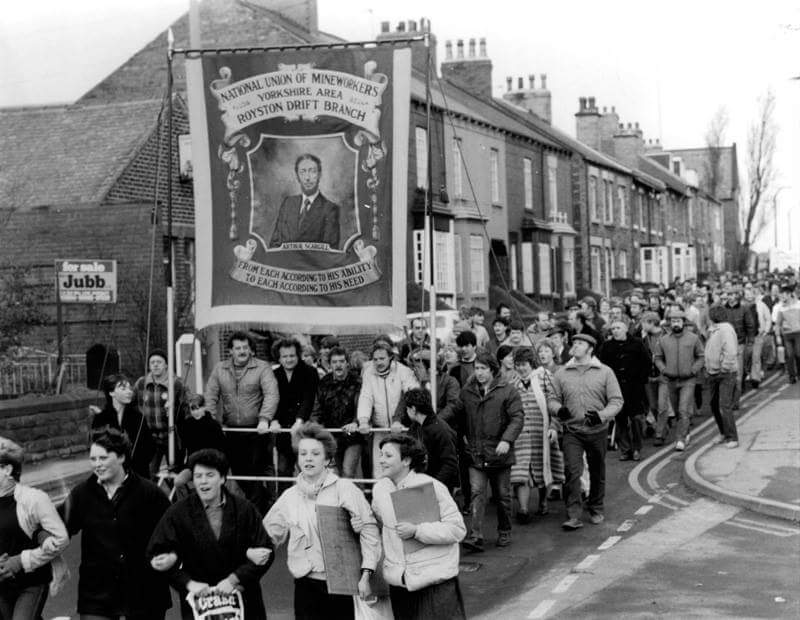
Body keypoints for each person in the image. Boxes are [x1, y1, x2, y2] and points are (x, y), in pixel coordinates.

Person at [264, 424, 380, 619]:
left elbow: (369, 531)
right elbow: (266, 536)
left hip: (341, 585)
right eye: (303, 453)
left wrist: (367, 573)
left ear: (327, 459)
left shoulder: (345, 489)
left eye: (315, 453)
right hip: (305, 585)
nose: (308, 458)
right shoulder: (289, 496)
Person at [148, 449, 273, 620]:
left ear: (222, 478)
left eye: (210, 475)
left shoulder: (245, 509)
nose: (203, 481)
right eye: (198, 476)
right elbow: (157, 552)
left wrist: (235, 579)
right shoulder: (178, 512)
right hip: (200, 603)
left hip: (243, 600)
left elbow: (266, 551)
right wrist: (188, 584)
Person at [62, 428, 171, 619]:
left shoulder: (150, 494)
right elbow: (57, 527)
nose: (97, 465)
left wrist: (170, 555)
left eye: (103, 458)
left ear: (121, 457)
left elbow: (174, 532)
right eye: (93, 459)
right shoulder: (82, 494)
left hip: (143, 590)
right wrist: (50, 552)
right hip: (97, 594)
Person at [371, 434, 467, 619]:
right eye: (381, 455)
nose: (381, 460)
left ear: (406, 460)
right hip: (400, 581)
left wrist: (418, 531)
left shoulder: (431, 486)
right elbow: (382, 521)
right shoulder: (380, 489)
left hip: (434, 582)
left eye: (388, 456)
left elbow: (457, 529)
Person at [547, 334, 623, 530]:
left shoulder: (605, 372)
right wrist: (558, 409)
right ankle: (573, 514)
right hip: (572, 431)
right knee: (572, 472)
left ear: (590, 349)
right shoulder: (562, 373)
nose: (575, 346)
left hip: (597, 430)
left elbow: (616, 401)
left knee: (597, 471)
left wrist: (602, 415)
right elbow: (552, 399)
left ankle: (596, 507)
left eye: (580, 343)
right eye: (574, 343)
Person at [452, 351, 524, 551]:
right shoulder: (468, 392)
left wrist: (507, 440)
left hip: (500, 453)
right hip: (476, 452)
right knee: (477, 492)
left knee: (503, 495)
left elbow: (517, 418)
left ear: (492, 369)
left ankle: (504, 531)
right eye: (476, 368)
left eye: (483, 368)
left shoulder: (508, 391)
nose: (479, 372)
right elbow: (456, 412)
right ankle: (475, 535)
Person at [204, 331, 279, 513]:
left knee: (257, 472)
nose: (242, 351)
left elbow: (271, 394)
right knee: (239, 474)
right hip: (233, 431)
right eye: (238, 348)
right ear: (230, 351)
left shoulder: (262, 368)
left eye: (245, 347)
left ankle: (263, 511)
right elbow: (211, 396)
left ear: (251, 350)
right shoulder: (220, 369)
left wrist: (264, 419)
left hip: (257, 431)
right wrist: (211, 422)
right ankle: (259, 507)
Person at [0, 437, 68, 620]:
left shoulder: (34, 499)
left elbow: (60, 539)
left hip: (31, 582)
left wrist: (20, 561)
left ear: (7, 469)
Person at [511, 348, 564, 523]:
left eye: (524, 364)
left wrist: (555, 427)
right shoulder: (512, 383)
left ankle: (542, 502)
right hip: (520, 436)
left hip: (541, 433)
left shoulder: (544, 377)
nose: (521, 368)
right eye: (517, 365)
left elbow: (555, 403)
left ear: (531, 364)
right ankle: (524, 510)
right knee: (522, 474)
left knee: (542, 471)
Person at [357, 341, 419, 477]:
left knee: (404, 469)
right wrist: (363, 420)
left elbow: (410, 396)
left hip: (402, 429)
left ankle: (404, 497)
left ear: (390, 357)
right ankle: (383, 498)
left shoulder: (403, 371)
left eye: (382, 358)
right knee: (380, 471)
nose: (378, 362)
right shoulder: (368, 373)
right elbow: (366, 397)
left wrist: (399, 420)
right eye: (375, 359)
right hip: (381, 430)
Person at [598, 320, 651, 462]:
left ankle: (637, 448)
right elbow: (602, 367)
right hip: (615, 388)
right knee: (620, 419)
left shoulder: (637, 343)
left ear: (626, 329)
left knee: (636, 419)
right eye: (613, 328)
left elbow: (646, 362)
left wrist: (640, 379)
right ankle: (625, 449)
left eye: (618, 328)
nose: (615, 330)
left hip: (634, 387)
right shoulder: (607, 346)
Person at [654, 309, 705, 451]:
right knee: (677, 412)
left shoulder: (693, 338)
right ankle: (685, 431)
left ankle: (680, 440)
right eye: (673, 321)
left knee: (683, 410)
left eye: (678, 321)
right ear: (670, 323)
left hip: (688, 380)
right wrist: (664, 370)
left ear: (684, 322)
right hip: (670, 380)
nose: (675, 323)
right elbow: (657, 358)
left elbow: (701, 356)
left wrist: (693, 370)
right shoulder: (663, 340)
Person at [133, 348, 189, 479]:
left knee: (175, 475)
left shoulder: (176, 383)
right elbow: (131, 402)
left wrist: (175, 408)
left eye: (159, 362)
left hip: (172, 436)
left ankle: (178, 498)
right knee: (149, 474)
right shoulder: (141, 383)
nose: (155, 365)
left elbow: (187, 405)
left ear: (166, 365)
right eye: (152, 362)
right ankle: (152, 497)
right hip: (150, 437)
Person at [272, 338, 320, 482]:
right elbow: (272, 400)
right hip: (283, 431)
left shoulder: (310, 372)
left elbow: (309, 398)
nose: (288, 359)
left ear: (298, 355)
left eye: (292, 356)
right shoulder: (275, 374)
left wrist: (299, 421)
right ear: (279, 358)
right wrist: (274, 420)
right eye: (284, 356)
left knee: (309, 471)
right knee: (283, 471)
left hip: (304, 429)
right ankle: (284, 504)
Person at [312, 346, 364, 478]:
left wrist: (356, 422)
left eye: (341, 361)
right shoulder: (324, 382)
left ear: (347, 363)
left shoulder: (357, 381)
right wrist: (314, 427)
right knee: (337, 473)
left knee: (348, 471)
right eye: (334, 362)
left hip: (353, 435)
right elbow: (317, 408)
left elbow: (361, 406)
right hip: (332, 435)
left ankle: (352, 498)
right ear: (330, 364)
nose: (338, 365)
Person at [91, 373, 155, 478]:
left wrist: (138, 462)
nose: (129, 392)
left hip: (137, 474)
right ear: (111, 392)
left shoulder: (138, 417)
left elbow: (149, 446)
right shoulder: (101, 419)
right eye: (123, 388)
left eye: (130, 388)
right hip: (110, 474)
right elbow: (96, 449)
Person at [269, 153, 340, 249]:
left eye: (312, 171)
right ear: (297, 176)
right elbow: (275, 244)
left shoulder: (330, 209)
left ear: (319, 175)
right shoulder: (288, 203)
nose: (307, 178)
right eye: (302, 172)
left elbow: (329, 251)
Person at [403, 388, 459, 493]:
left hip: (437, 488)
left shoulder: (441, 430)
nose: (406, 412)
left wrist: (434, 486)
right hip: (421, 485)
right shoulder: (415, 427)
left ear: (413, 409)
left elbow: (450, 463)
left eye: (407, 408)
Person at [705, 305, 740, 448]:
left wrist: (724, 369)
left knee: (724, 405)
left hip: (725, 373)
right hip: (714, 373)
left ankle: (732, 438)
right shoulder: (715, 330)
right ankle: (724, 433)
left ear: (713, 316)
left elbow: (731, 352)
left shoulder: (725, 329)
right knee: (714, 405)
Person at [407, 349, 461, 426]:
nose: (415, 371)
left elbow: (453, 405)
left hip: (444, 428)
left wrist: (435, 421)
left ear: (431, 369)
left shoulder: (449, 381)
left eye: (418, 367)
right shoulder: (415, 383)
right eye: (414, 367)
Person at [641, 312, 669, 442]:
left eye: (644, 323)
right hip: (649, 376)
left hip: (663, 376)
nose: (642, 326)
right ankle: (663, 427)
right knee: (653, 406)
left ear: (651, 323)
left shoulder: (667, 335)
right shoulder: (643, 339)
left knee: (662, 406)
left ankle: (659, 434)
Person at [774, 284, 800, 383]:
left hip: (798, 333)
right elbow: (777, 323)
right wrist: (777, 336)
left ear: (789, 295)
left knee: (798, 354)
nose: (782, 297)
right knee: (789, 356)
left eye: (784, 294)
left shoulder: (798, 304)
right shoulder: (781, 308)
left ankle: (799, 373)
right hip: (787, 335)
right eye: (781, 295)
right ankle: (792, 377)